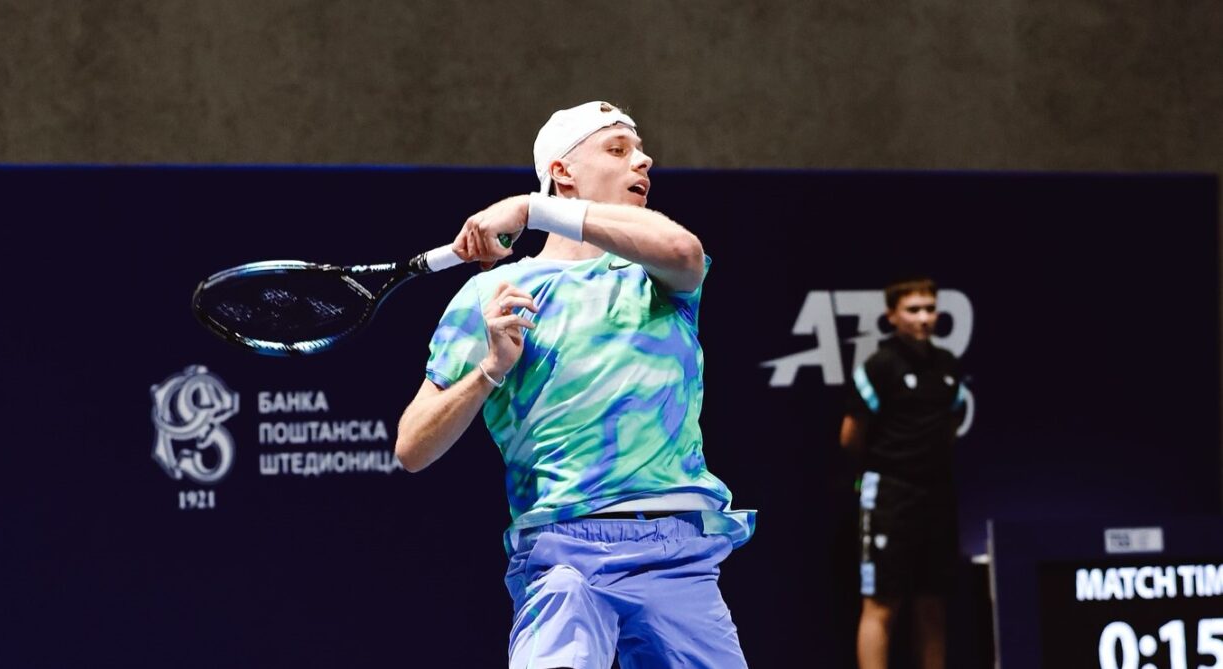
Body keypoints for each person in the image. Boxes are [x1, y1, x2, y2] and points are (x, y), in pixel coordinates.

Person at [395, 101, 754, 669]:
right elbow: (413, 447)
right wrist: (490, 369)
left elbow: (683, 251)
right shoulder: (493, 294)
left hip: (677, 555)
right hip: (563, 555)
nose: (643, 161)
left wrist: (525, 208)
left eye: (640, 152)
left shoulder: (656, 276)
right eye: (617, 149)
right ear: (563, 171)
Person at [840, 277, 967, 669]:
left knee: (933, 602)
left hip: (938, 495)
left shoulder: (947, 365)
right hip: (890, 496)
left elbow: (948, 427)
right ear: (892, 316)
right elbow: (850, 437)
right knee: (881, 602)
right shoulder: (880, 366)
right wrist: (893, 465)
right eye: (914, 310)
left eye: (930, 308)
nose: (924, 318)